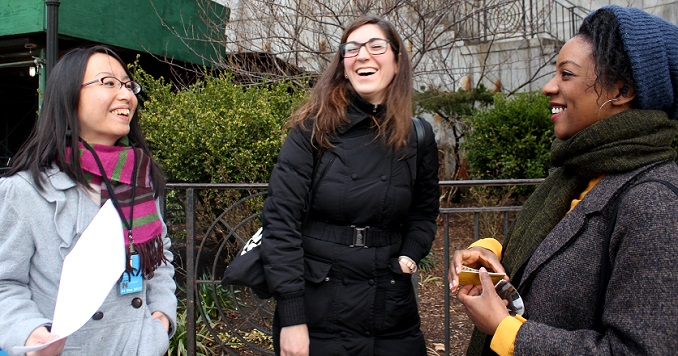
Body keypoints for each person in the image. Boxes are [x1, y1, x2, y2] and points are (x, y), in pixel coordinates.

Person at [448, 5, 678, 355]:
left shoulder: (655, 201)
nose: (548, 87)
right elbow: (548, 251)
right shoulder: (574, 175)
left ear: (623, 89)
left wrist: (506, 331)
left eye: (566, 74)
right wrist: (487, 252)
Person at [259, 14, 439, 356]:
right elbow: (280, 223)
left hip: (389, 306)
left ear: (397, 62)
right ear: (343, 65)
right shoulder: (310, 130)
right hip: (317, 310)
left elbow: (425, 213)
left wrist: (409, 257)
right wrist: (293, 318)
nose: (362, 55)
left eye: (376, 46)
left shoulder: (418, 136)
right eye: (351, 48)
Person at [0, 45, 177, 355]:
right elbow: (5, 285)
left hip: (139, 346)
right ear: (69, 96)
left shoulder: (140, 180)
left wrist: (161, 318)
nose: (126, 96)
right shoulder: (24, 190)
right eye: (108, 83)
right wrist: (32, 334)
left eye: (128, 84)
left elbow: (159, 260)